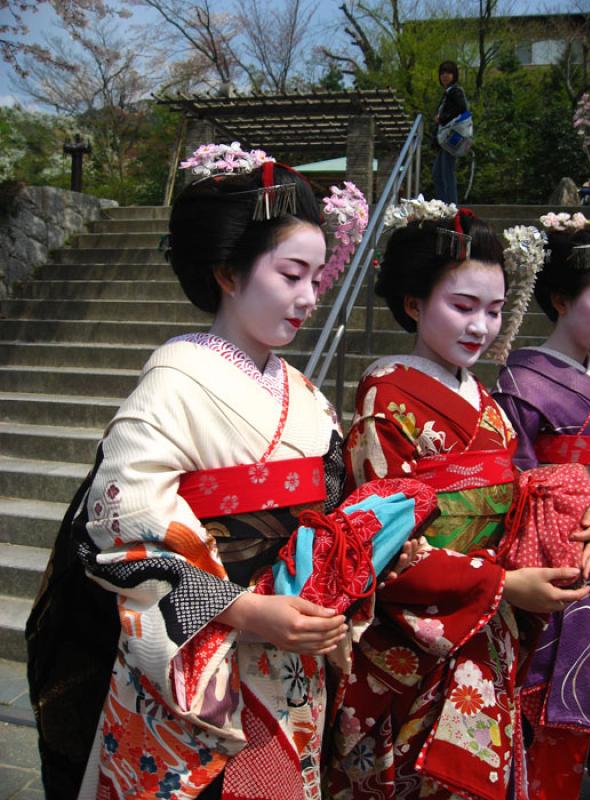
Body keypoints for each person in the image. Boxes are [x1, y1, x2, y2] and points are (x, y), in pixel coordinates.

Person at [26, 144, 368, 800]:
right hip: (206, 660)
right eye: (291, 273)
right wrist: (247, 608)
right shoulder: (175, 380)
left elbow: (338, 507)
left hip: (292, 650)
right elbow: (120, 528)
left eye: (316, 279)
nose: (308, 299)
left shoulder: (305, 393)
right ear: (227, 272)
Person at [324, 198, 590, 800]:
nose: (481, 327)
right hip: (418, 636)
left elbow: (518, 488)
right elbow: (379, 541)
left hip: (485, 623)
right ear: (414, 303)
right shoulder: (385, 397)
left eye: (494, 311)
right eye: (462, 306)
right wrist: (501, 586)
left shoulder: (485, 400)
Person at [494, 216, 590, 800]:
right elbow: (518, 476)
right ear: (560, 299)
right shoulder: (522, 380)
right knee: (544, 729)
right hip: (557, 559)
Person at [432, 60, 467, 204]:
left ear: (454, 75)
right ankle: (444, 205)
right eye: (442, 73)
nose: (445, 76)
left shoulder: (455, 91)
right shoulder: (448, 93)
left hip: (452, 137)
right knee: (438, 173)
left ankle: (451, 208)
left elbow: (461, 109)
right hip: (445, 139)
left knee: (446, 173)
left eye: (449, 73)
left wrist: (442, 117)